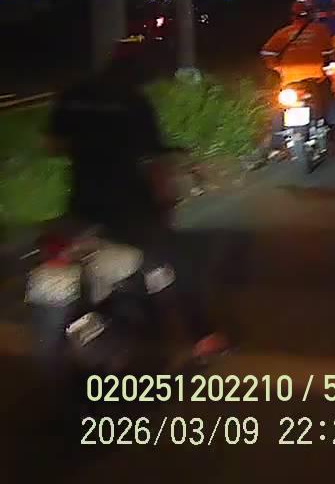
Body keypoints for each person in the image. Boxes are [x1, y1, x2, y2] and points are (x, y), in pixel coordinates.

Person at [45, 39, 228, 362]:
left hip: (81, 204)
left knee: (76, 261)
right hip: (128, 208)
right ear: (138, 71)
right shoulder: (133, 102)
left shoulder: (75, 95)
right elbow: (154, 161)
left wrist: (85, 148)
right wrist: (164, 200)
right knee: (172, 265)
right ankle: (202, 337)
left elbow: (51, 145)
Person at [259, 0, 335, 160]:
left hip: (290, 82)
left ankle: (275, 147)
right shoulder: (320, 30)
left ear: (293, 16)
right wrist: (330, 61)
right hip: (315, 80)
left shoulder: (284, 32)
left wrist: (278, 67)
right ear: (312, 15)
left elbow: (267, 52)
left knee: (280, 111)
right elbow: (329, 52)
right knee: (333, 113)